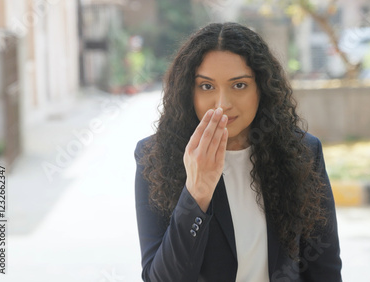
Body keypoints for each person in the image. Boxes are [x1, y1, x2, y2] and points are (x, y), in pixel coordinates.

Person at [134, 22, 342, 282]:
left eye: (239, 85)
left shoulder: (303, 153)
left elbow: (325, 268)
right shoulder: (154, 157)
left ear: (262, 89)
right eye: (207, 86)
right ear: (189, 91)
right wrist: (197, 193)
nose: (223, 105)